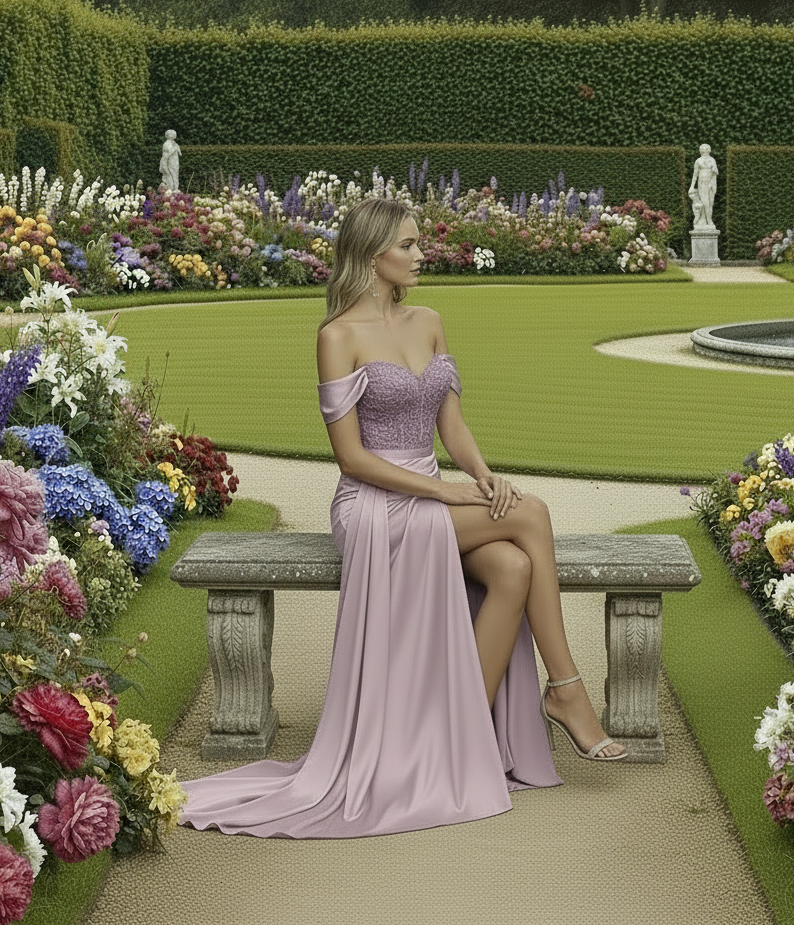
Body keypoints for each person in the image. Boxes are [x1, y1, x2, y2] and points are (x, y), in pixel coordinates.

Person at [178, 199, 624, 840]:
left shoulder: (429, 321)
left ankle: (460, 733)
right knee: (533, 515)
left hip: (432, 489)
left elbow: (452, 426)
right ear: (371, 254)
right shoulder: (338, 337)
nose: (421, 254)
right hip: (373, 503)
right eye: (408, 245)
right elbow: (353, 459)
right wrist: (444, 494)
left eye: (418, 244)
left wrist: (482, 476)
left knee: (512, 567)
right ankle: (567, 691)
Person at [688, 143, 718, 229]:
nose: (704, 151)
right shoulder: (698, 161)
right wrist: (692, 186)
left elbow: (715, 174)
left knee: (710, 203)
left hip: (711, 184)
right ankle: (709, 221)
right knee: (705, 203)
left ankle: (707, 221)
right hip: (702, 184)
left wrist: (712, 184)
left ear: (709, 150)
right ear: (700, 151)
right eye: (703, 149)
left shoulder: (712, 160)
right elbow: (695, 175)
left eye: (706, 149)